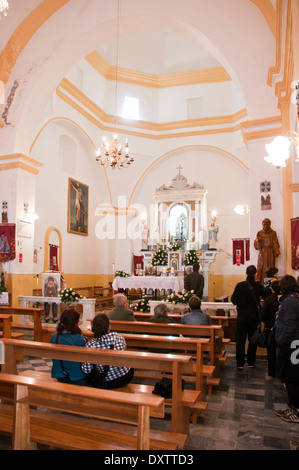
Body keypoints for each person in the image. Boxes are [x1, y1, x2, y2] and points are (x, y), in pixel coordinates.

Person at [82, 313, 134, 388]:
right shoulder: (120, 339)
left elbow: (87, 370)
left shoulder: (90, 345)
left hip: (106, 381)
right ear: (109, 327)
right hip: (124, 378)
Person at [274, 275, 299, 423]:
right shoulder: (293, 299)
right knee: (288, 376)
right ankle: (291, 406)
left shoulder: (290, 302)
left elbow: (289, 324)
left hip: (292, 343)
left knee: (291, 377)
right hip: (292, 342)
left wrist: (280, 339)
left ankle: (296, 409)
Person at [231, 265, 264, 370]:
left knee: (240, 340)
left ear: (246, 273)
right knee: (252, 339)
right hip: (254, 317)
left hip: (242, 317)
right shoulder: (259, 286)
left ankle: (240, 363)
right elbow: (266, 296)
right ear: (255, 274)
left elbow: (234, 300)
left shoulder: (240, 285)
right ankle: (251, 361)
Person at [50, 308, 88, 385]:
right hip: (77, 377)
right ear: (76, 323)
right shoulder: (80, 339)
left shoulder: (54, 337)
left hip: (59, 375)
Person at [260, 279, 280, 378]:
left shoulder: (269, 299)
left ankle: (271, 371)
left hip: (270, 328)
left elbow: (262, 317)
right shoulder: (284, 299)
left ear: (271, 288)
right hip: (281, 328)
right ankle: (281, 371)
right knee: (281, 350)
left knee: (271, 351)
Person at [254, 218, 280, 285]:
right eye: (264, 224)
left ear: (269, 225)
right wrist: (258, 241)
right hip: (262, 253)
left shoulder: (273, 233)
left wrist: (276, 250)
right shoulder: (259, 233)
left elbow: (275, 243)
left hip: (270, 253)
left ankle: (270, 284)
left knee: (269, 267)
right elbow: (256, 245)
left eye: (267, 224)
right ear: (262, 224)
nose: (265, 226)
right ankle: (260, 283)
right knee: (261, 268)